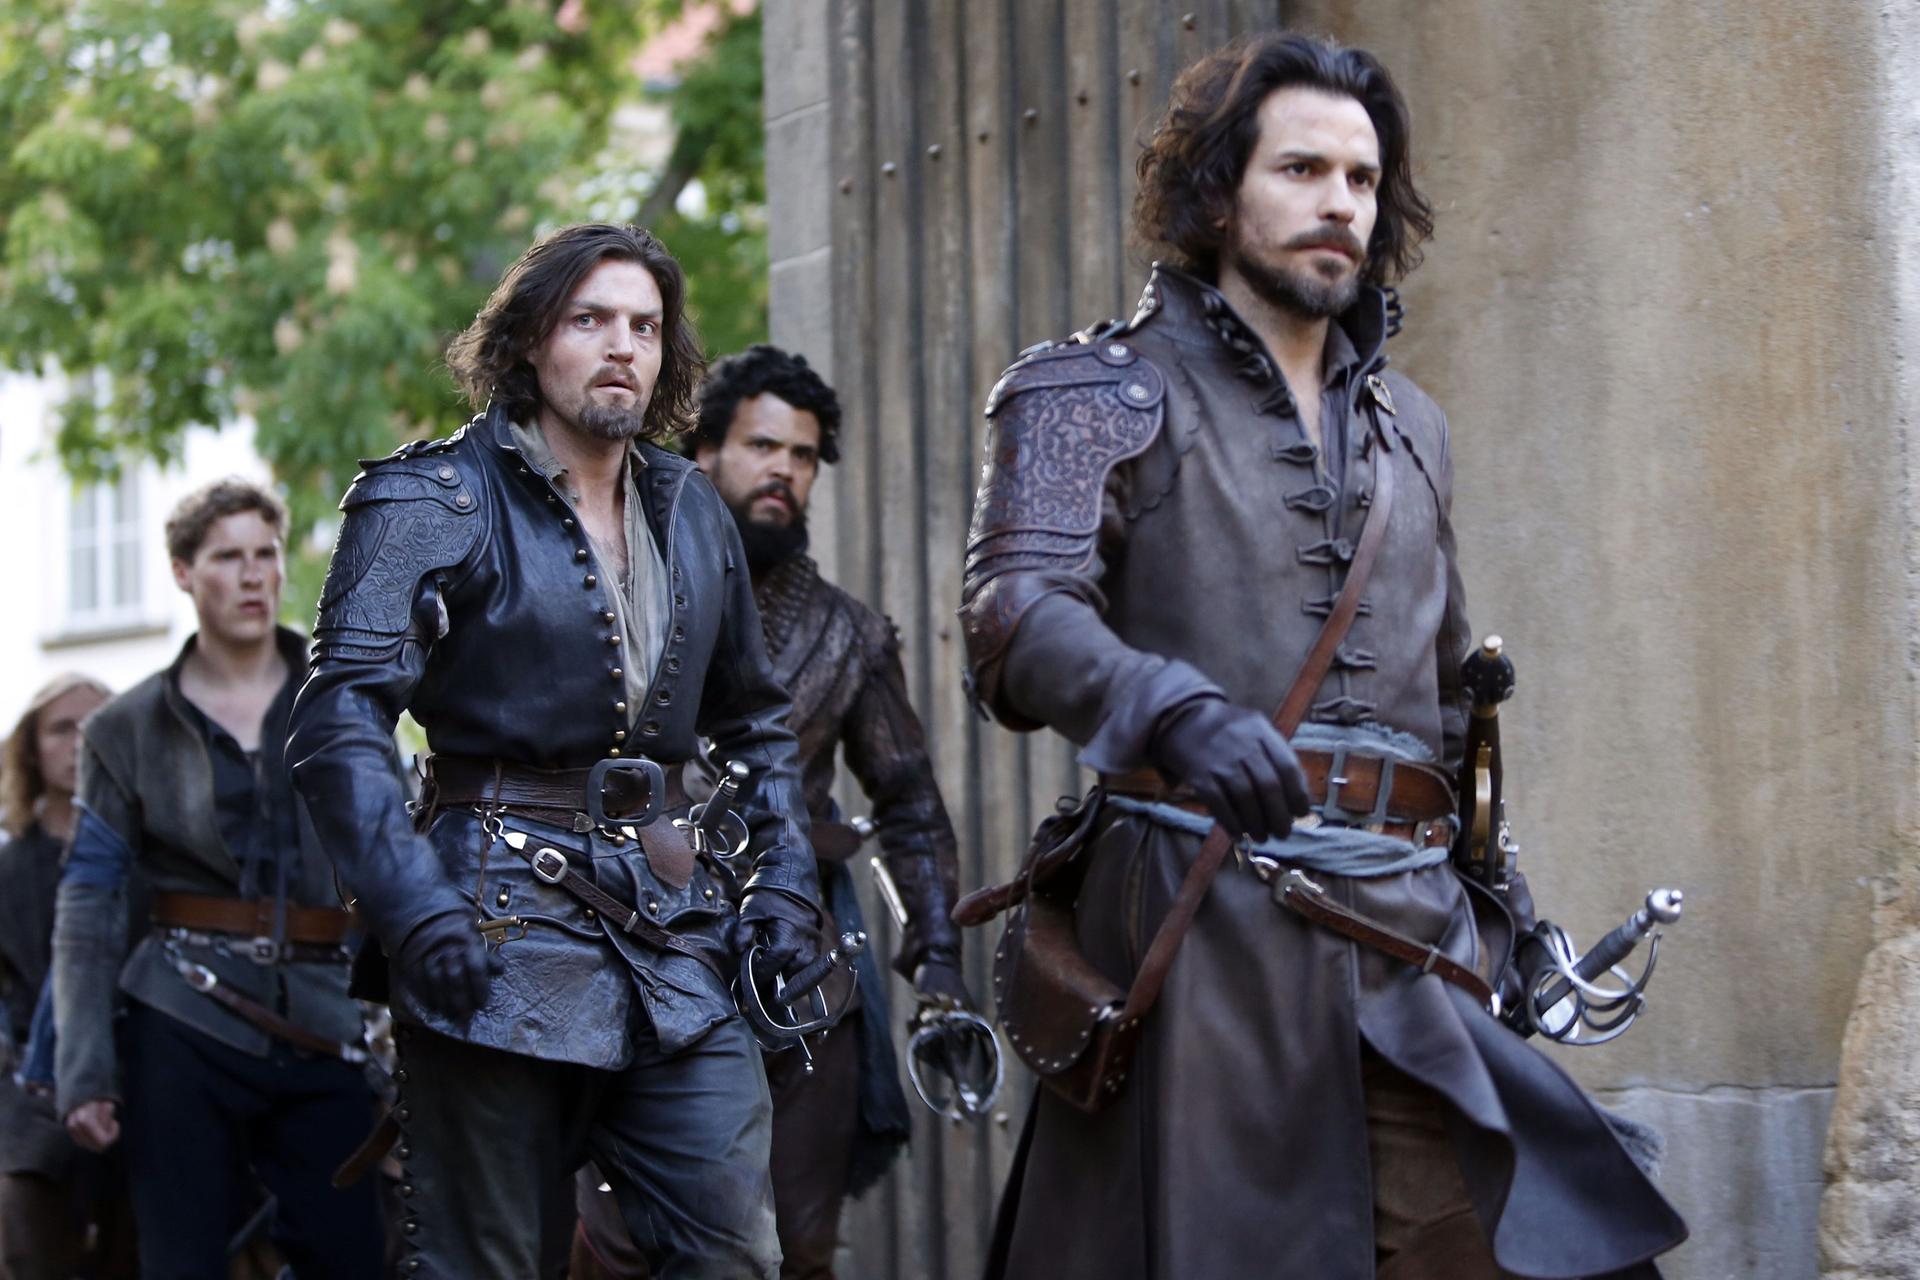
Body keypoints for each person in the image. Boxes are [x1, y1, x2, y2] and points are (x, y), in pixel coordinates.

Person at [958, 33, 1688, 1280]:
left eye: (1360, 177)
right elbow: (1012, 613)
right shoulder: (1090, 391)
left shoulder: (1416, 430)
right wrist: (1169, 708)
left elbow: (1448, 703)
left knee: (1535, 1240)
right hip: (1206, 929)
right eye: (1300, 169)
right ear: (1216, 191)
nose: (1339, 202)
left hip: (1410, 930)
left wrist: (1506, 908)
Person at [287, 223, 826, 1279]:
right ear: (532, 339)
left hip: (674, 936)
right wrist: (412, 903)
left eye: (645, 327)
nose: (623, 346)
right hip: (489, 930)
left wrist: (784, 886)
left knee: (736, 1252)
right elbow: (339, 719)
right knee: (488, 1265)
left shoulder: (691, 506)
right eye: (591, 320)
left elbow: (757, 722)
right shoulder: (426, 497)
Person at [572, 346, 968, 1280]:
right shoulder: (607, 592)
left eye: (803, 455)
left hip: (796, 967)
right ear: (705, 451)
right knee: (614, 1247)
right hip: (625, 946)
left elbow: (909, 803)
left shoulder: (849, 634)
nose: (784, 470)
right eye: (762, 446)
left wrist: (939, 957)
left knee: (795, 1246)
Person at [51, 480, 383, 1280]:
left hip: (325, 1017)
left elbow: (396, 860)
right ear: (183, 572)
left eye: (265, 554)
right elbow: (89, 900)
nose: (252, 575)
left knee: (351, 1257)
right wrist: (85, 1073)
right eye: (228, 557)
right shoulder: (125, 728)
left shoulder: (346, 701)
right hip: (181, 1014)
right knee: (182, 1260)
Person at [0, 674, 133, 1280]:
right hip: (29, 1097)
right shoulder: (9, 867)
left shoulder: (155, 858)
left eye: (95, 725)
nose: (80, 742)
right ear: (31, 749)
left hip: (143, 1081)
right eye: (61, 728)